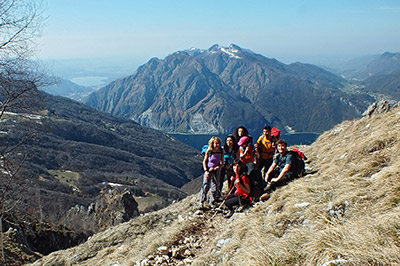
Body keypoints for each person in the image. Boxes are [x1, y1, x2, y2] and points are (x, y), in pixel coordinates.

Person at [199, 136, 224, 209]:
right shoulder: (209, 150)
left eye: (218, 143)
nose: (217, 145)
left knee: (215, 186)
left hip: (216, 170)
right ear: (212, 143)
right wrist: (206, 171)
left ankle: (212, 202)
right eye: (216, 143)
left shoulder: (221, 151)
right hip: (209, 170)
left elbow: (222, 163)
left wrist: (218, 167)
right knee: (206, 186)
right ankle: (201, 202)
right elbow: (204, 161)